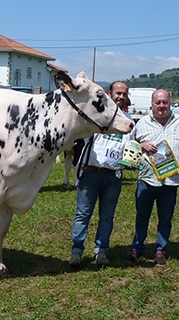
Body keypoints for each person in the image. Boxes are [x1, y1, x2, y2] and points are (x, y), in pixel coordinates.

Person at [68, 81, 134, 267]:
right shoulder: (94, 115)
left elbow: (131, 147)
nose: (120, 96)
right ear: (109, 94)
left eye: (124, 93)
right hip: (91, 173)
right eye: (118, 93)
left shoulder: (129, 121)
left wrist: (131, 161)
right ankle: (77, 251)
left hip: (114, 176)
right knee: (83, 214)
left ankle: (101, 251)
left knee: (107, 216)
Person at [125, 89, 179, 265]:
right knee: (142, 216)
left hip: (171, 181)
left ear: (170, 103)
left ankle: (161, 250)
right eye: (158, 102)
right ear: (152, 104)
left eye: (165, 102)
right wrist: (141, 145)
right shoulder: (141, 124)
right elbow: (129, 145)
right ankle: (137, 247)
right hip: (146, 180)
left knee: (165, 219)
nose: (161, 105)